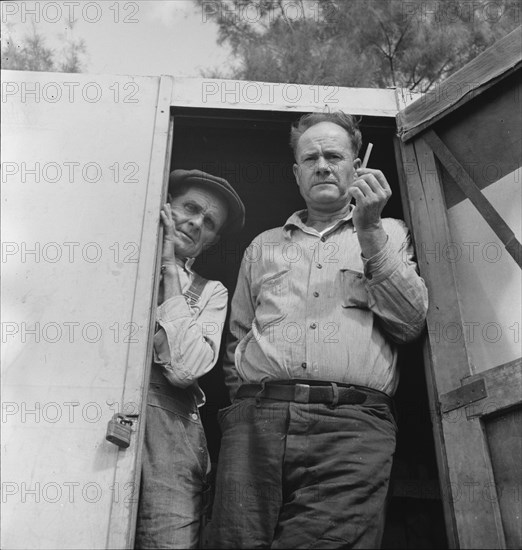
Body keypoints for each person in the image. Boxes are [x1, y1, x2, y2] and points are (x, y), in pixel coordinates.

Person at [206, 112, 429, 549]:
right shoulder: (263, 246)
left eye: (334, 155)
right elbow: (237, 338)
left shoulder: (393, 233)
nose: (322, 165)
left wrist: (368, 229)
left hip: (351, 430)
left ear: (356, 165)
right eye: (310, 158)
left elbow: (410, 323)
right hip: (255, 427)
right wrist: (246, 410)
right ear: (296, 172)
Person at [135, 169, 245, 550]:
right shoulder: (120, 263)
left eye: (209, 222)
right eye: (191, 208)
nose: (197, 222)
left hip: (173, 439)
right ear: (167, 205)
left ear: (212, 242)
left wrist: (169, 267)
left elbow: (185, 369)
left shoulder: (211, 292)